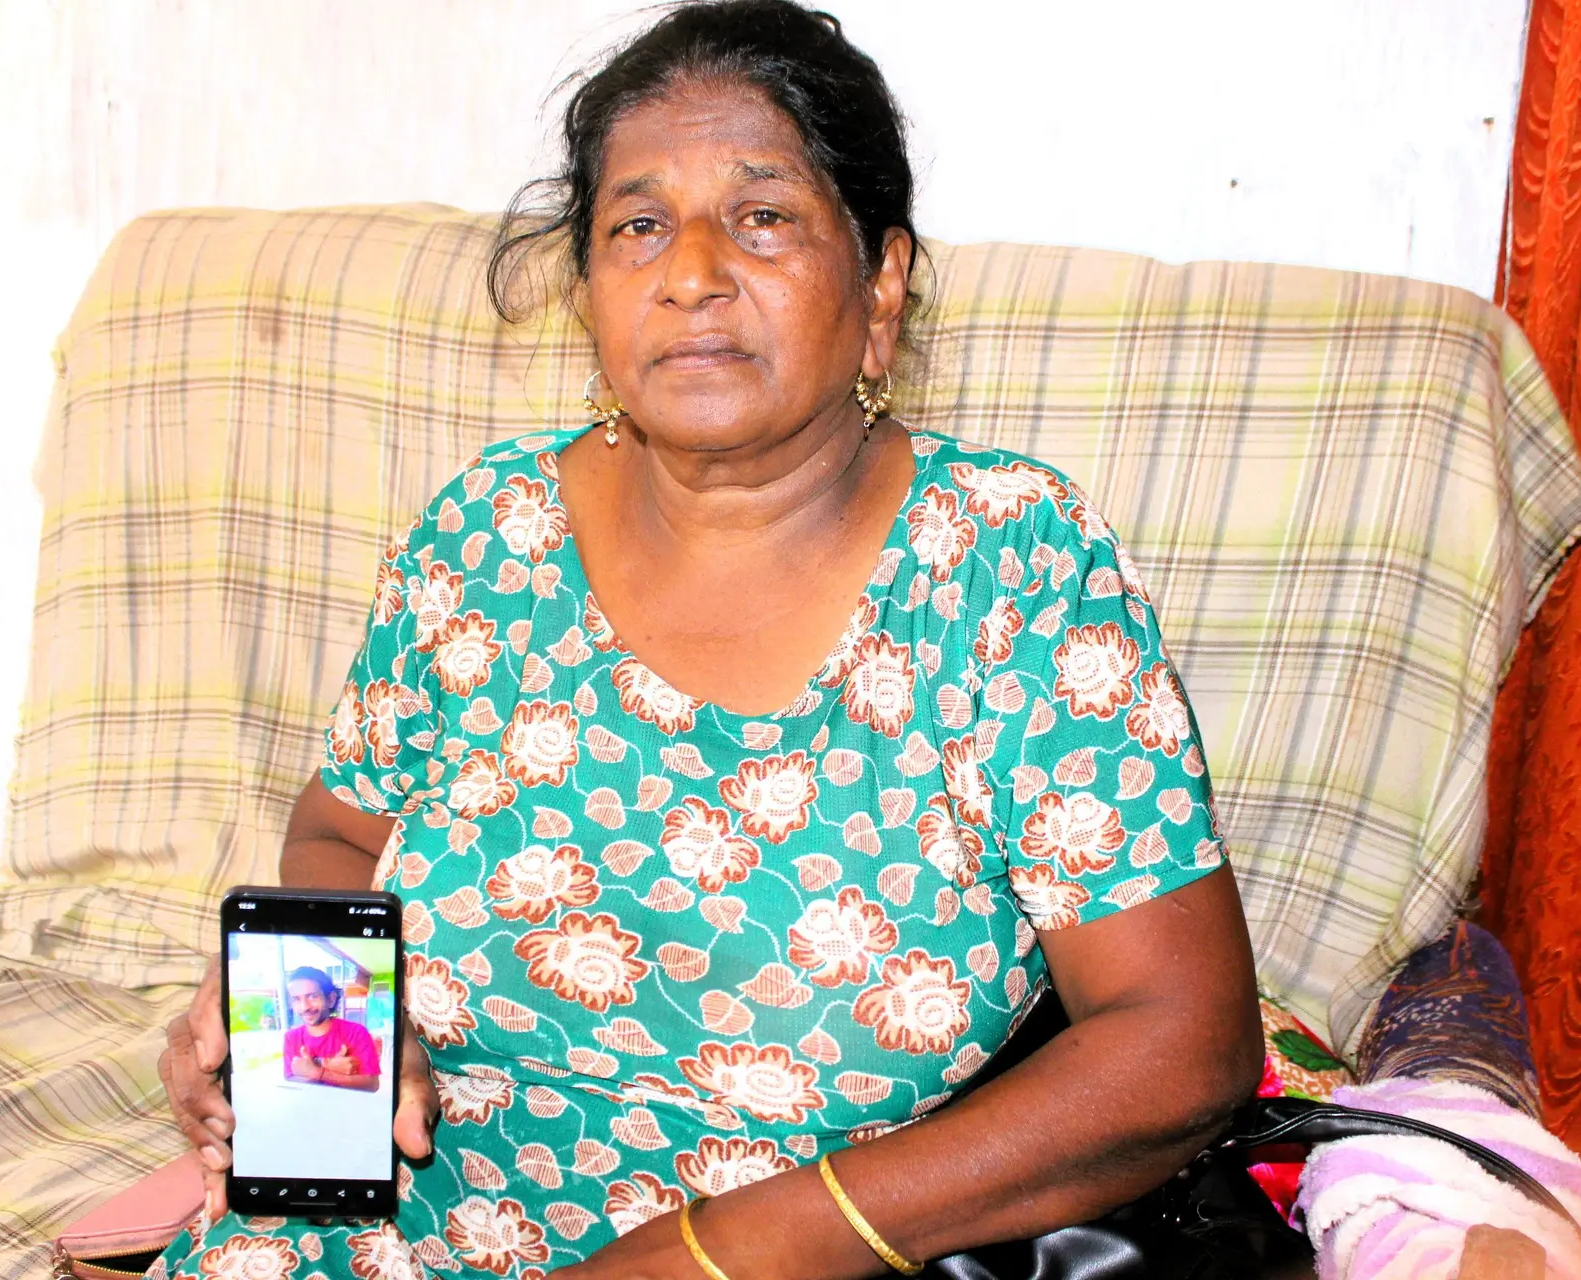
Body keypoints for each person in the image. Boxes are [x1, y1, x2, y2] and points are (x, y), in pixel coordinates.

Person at [156, 2, 1263, 1275]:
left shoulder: (1009, 565)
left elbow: (1181, 1039)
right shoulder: (485, 534)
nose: (689, 269)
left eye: (762, 215)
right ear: (589, 291)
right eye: (637, 224)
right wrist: (309, 1031)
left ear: (882, 276)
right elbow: (343, 833)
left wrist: (719, 1249)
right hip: (370, 1235)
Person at [280, 966, 381, 1091]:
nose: (304, 1007)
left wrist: (318, 1072)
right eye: (296, 999)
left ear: (331, 999)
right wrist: (327, 1065)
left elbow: (371, 1085)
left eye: (312, 996)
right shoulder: (291, 1037)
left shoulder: (356, 1032)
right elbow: (290, 1080)